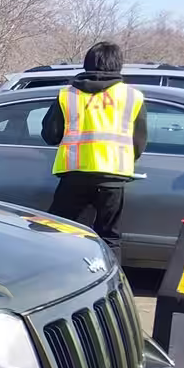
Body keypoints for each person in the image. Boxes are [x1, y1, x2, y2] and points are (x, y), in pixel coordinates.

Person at [41, 41, 148, 261]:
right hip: (113, 176)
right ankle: (108, 278)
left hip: (74, 173)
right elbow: (138, 142)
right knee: (109, 237)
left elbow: (50, 135)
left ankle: (59, 274)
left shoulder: (67, 95)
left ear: (87, 62)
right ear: (118, 64)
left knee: (59, 232)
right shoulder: (132, 96)